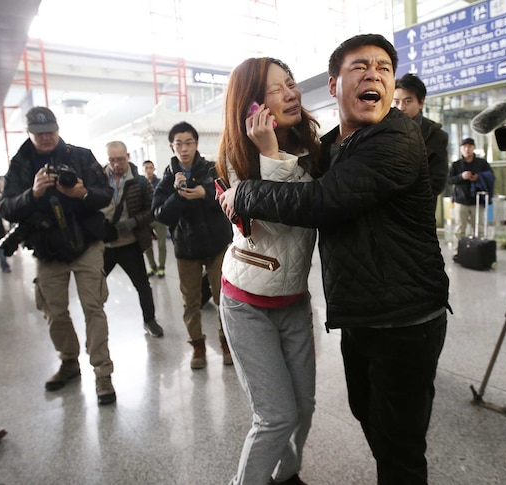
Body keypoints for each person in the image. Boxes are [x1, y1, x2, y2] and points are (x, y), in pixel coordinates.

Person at [218, 34, 450, 485]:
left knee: (397, 443)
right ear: (333, 84)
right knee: (365, 414)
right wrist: (259, 164)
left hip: (404, 319)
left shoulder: (393, 138)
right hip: (352, 312)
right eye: (360, 67)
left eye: (384, 68)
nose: (374, 76)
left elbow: (320, 202)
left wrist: (249, 189)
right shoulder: (329, 147)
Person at [215, 57, 321, 485]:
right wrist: (270, 154)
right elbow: (278, 221)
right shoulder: (234, 160)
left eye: (291, 84)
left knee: (304, 406)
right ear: (252, 105)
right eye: (277, 89)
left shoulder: (313, 147)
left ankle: (286, 475)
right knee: (275, 416)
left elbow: (316, 203)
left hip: (294, 299)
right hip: (246, 305)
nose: (291, 93)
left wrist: (278, 155)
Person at [0, 106, 118, 405]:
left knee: (94, 308)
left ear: (58, 128)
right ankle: (68, 362)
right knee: (55, 312)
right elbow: (6, 208)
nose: (46, 137)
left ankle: (103, 373)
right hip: (48, 250)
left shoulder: (79, 155)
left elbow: (106, 194)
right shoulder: (21, 164)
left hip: (86, 244)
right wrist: (33, 193)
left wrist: (81, 193)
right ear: (29, 133)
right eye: (39, 133)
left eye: (51, 130)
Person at [151, 121, 234, 369]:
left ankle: (226, 341)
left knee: (223, 298)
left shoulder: (211, 168)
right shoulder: (167, 178)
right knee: (190, 302)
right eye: (179, 143)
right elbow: (160, 215)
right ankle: (197, 345)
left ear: (196, 144)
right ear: (172, 146)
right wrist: (177, 195)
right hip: (186, 249)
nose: (184, 148)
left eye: (189, 142)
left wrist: (205, 193)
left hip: (217, 244)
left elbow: (229, 194)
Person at [103, 142, 164, 338]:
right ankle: (96, 328)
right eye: (111, 160)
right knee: (94, 287)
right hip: (104, 246)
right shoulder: (98, 181)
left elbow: (152, 210)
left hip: (130, 244)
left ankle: (150, 320)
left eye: (120, 159)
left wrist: (133, 222)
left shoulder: (140, 182)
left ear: (127, 156)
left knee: (142, 285)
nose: (116, 164)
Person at [392, 73, 449, 208]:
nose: (401, 107)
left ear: (421, 102)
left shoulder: (436, 136)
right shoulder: (382, 131)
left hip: (418, 211)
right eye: (396, 101)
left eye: (408, 101)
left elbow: (437, 181)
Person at [447, 138, 494, 239]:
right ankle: (458, 253)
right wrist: (461, 177)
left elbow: (491, 176)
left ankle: (478, 253)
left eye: (469, 146)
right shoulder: (456, 165)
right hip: (460, 200)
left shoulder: (482, 163)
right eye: (464, 147)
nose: (467, 149)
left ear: (474, 147)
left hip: (477, 201)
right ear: (460, 149)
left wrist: (478, 177)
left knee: (479, 229)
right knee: (460, 229)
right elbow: (449, 180)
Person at [141, 160, 168, 277]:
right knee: (147, 245)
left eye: (150, 168)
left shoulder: (160, 183)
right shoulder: (140, 183)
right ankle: (152, 266)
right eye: (146, 168)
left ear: (154, 169)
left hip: (158, 219)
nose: (148, 170)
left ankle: (161, 267)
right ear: (143, 169)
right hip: (145, 219)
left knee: (161, 244)